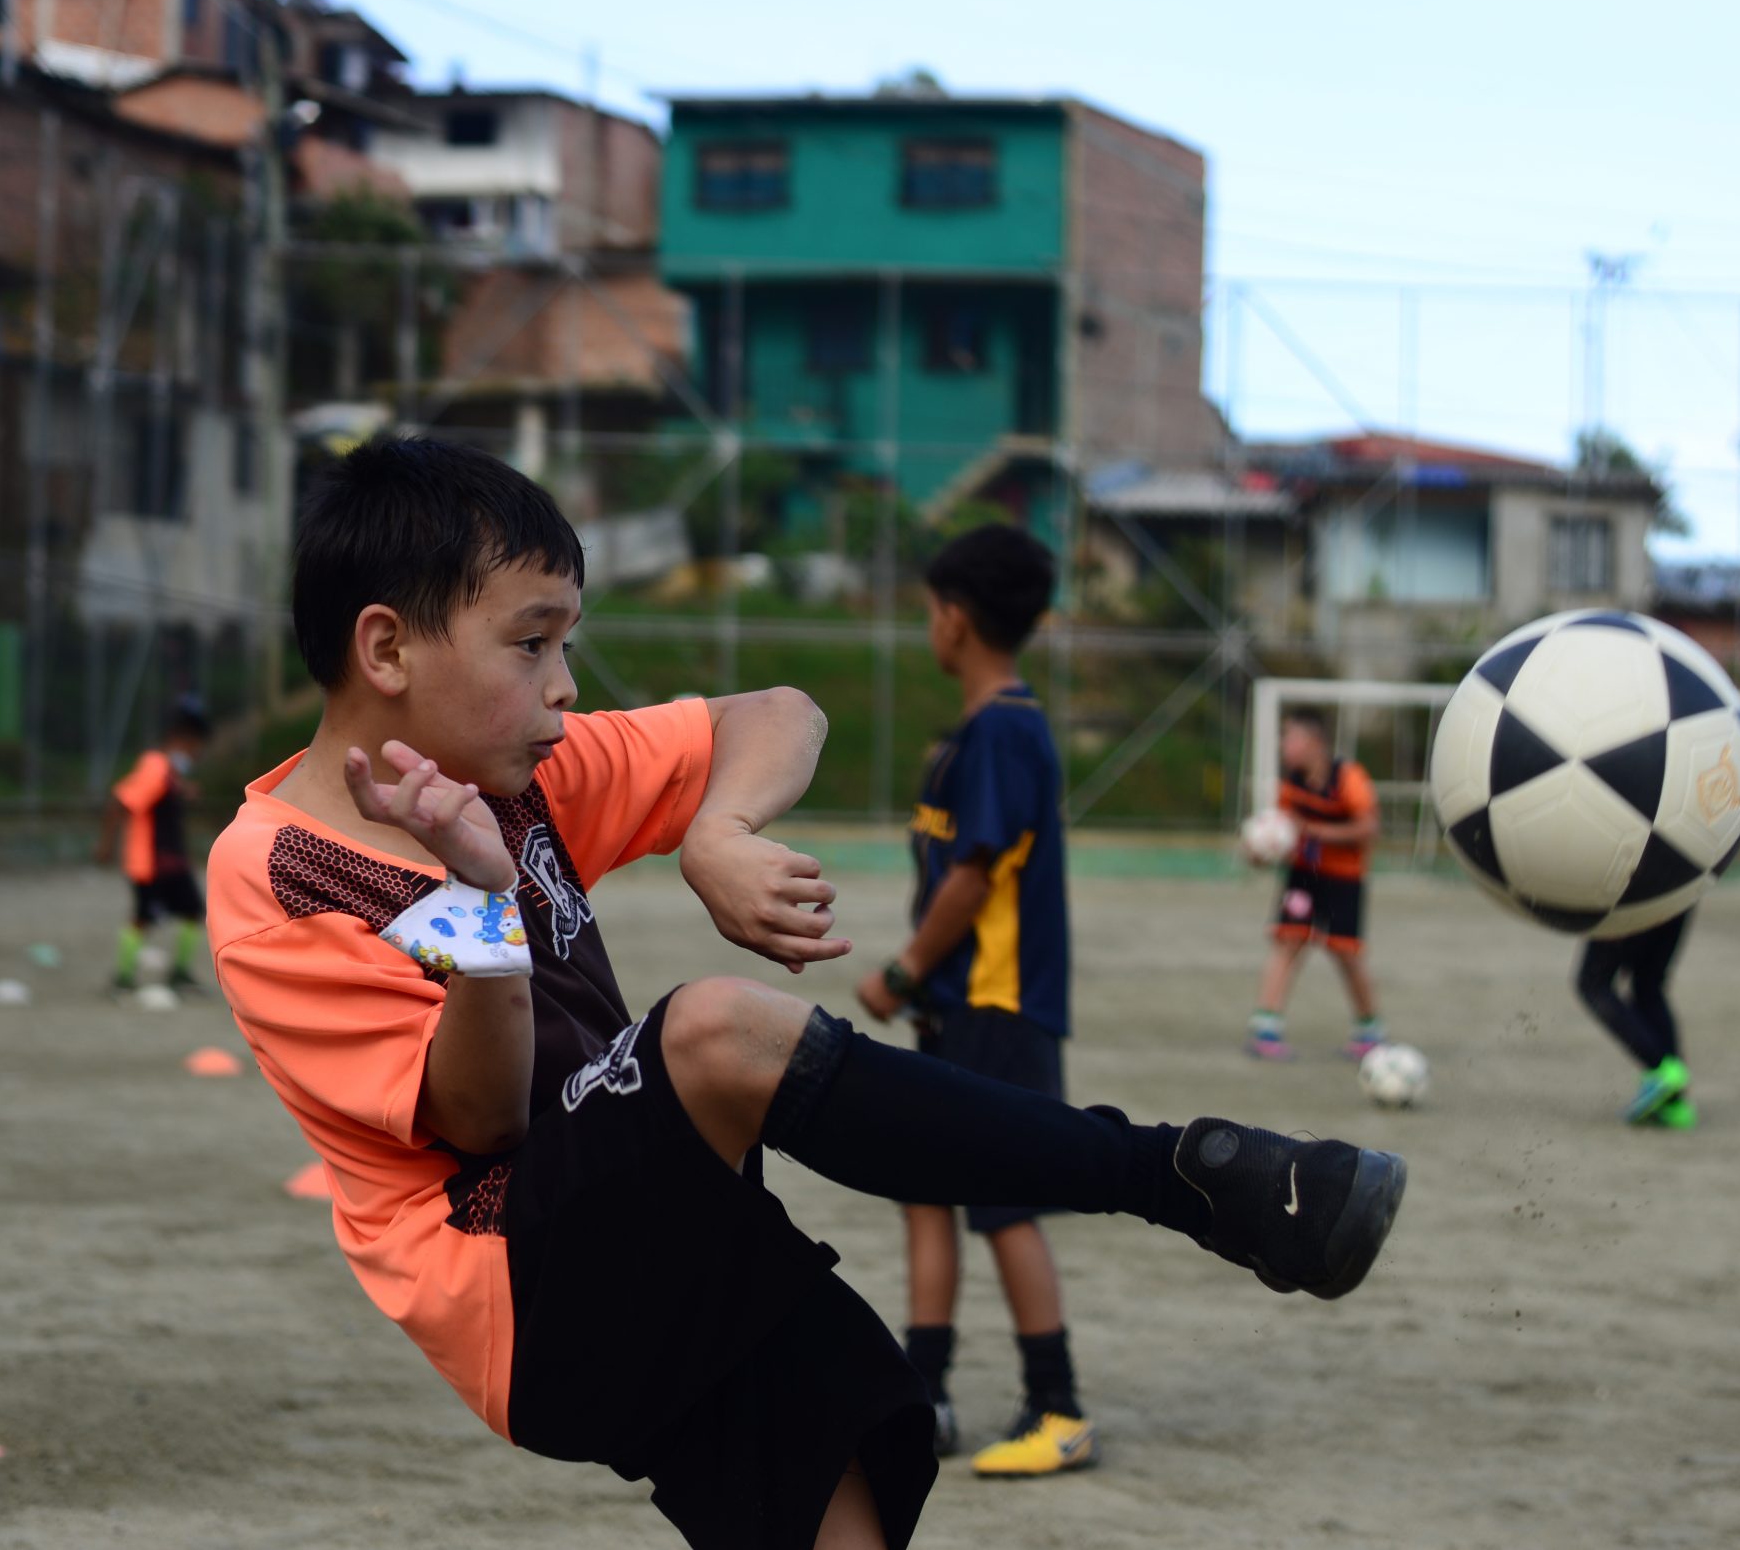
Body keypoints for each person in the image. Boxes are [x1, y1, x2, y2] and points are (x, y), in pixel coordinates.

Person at [204, 437, 1407, 1550]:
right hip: (519, 1278)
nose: (566, 684)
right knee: (716, 1030)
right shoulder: (276, 872)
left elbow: (780, 713)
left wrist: (714, 824)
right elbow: (481, 1118)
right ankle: (1180, 1174)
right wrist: (481, 907)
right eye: (532, 644)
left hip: (662, 1223)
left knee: (846, 1519)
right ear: (386, 648)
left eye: (567, 641)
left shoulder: (520, 773)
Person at [849, 526, 1088, 1478]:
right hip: (957, 1011)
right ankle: (927, 1392)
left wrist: (900, 971)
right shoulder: (979, 732)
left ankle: (1059, 1403)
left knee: (1005, 1205)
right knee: (924, 1190)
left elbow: (972, 882)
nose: (928, 625)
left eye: (929, 610)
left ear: (955, 617)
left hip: (1000, 1007)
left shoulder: (1004, 732)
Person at [1246, 711, 1386, 1061]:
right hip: (1304, 876)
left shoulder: (1348, 778)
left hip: (1343, 878)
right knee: (1288, 940)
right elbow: (1285, 835)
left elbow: (1369, 829)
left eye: (1291, 738)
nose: (1284, 746)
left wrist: (1313, 830)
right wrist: (1261, 851)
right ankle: (1266, 1027)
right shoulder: (1291, 782)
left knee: (1345, 952)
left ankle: (1369, 1030)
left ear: (1315, 744)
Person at [98, 697, 212, 1003]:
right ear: (182, 740)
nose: (196, 754)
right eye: (195, 748)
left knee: (190, 911)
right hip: (151, 862)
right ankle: (123, 979)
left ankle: (176, 974)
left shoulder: (166, 771)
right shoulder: (156, 768)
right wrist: (106, 845)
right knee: (143, 918)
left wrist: (183, 790)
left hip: (169, 861)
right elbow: (120, 802)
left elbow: (162, 792)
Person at [1575, 910, 1697, 1129]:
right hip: (1681, 890)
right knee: (1648, 985)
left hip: (1630, 895)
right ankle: (1673, 1104)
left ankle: (1661, 1069)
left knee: (1593, 984)